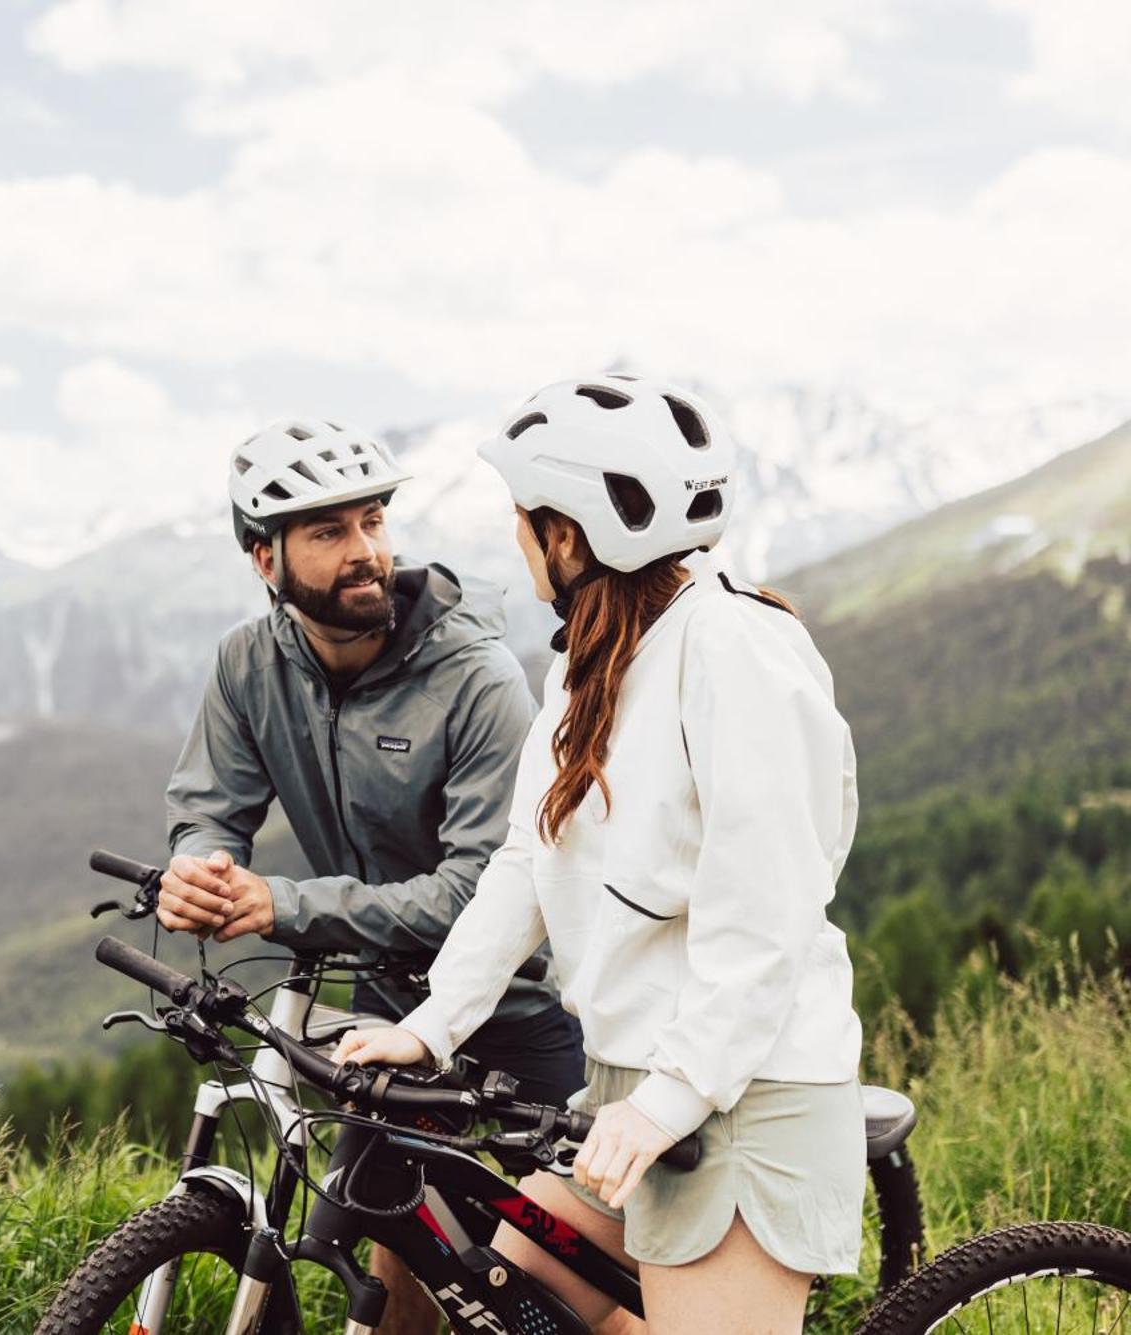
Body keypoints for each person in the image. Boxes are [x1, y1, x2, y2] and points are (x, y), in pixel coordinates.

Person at [332, 376, 865, 1335]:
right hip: (630, 1091)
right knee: (509, 1303)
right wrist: (434, 1023)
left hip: (744, 1096)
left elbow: (767, 918)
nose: (518, 539)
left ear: (568, 536)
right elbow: (525, 860)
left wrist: (671, 1100)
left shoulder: (734, 650)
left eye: (524, 520)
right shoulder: (590, 664)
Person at [164, 417, 588, 1335]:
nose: (366, 553)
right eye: (329, 532)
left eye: (372, 521)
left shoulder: (476, 681)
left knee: (559, 1294)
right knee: (401, 1246)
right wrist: (197, 867)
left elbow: (478, 897)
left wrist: (283, 903)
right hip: (392, 1015)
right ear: (262, 558)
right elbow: (209, 807)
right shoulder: (249, 665)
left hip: (527, 1014)